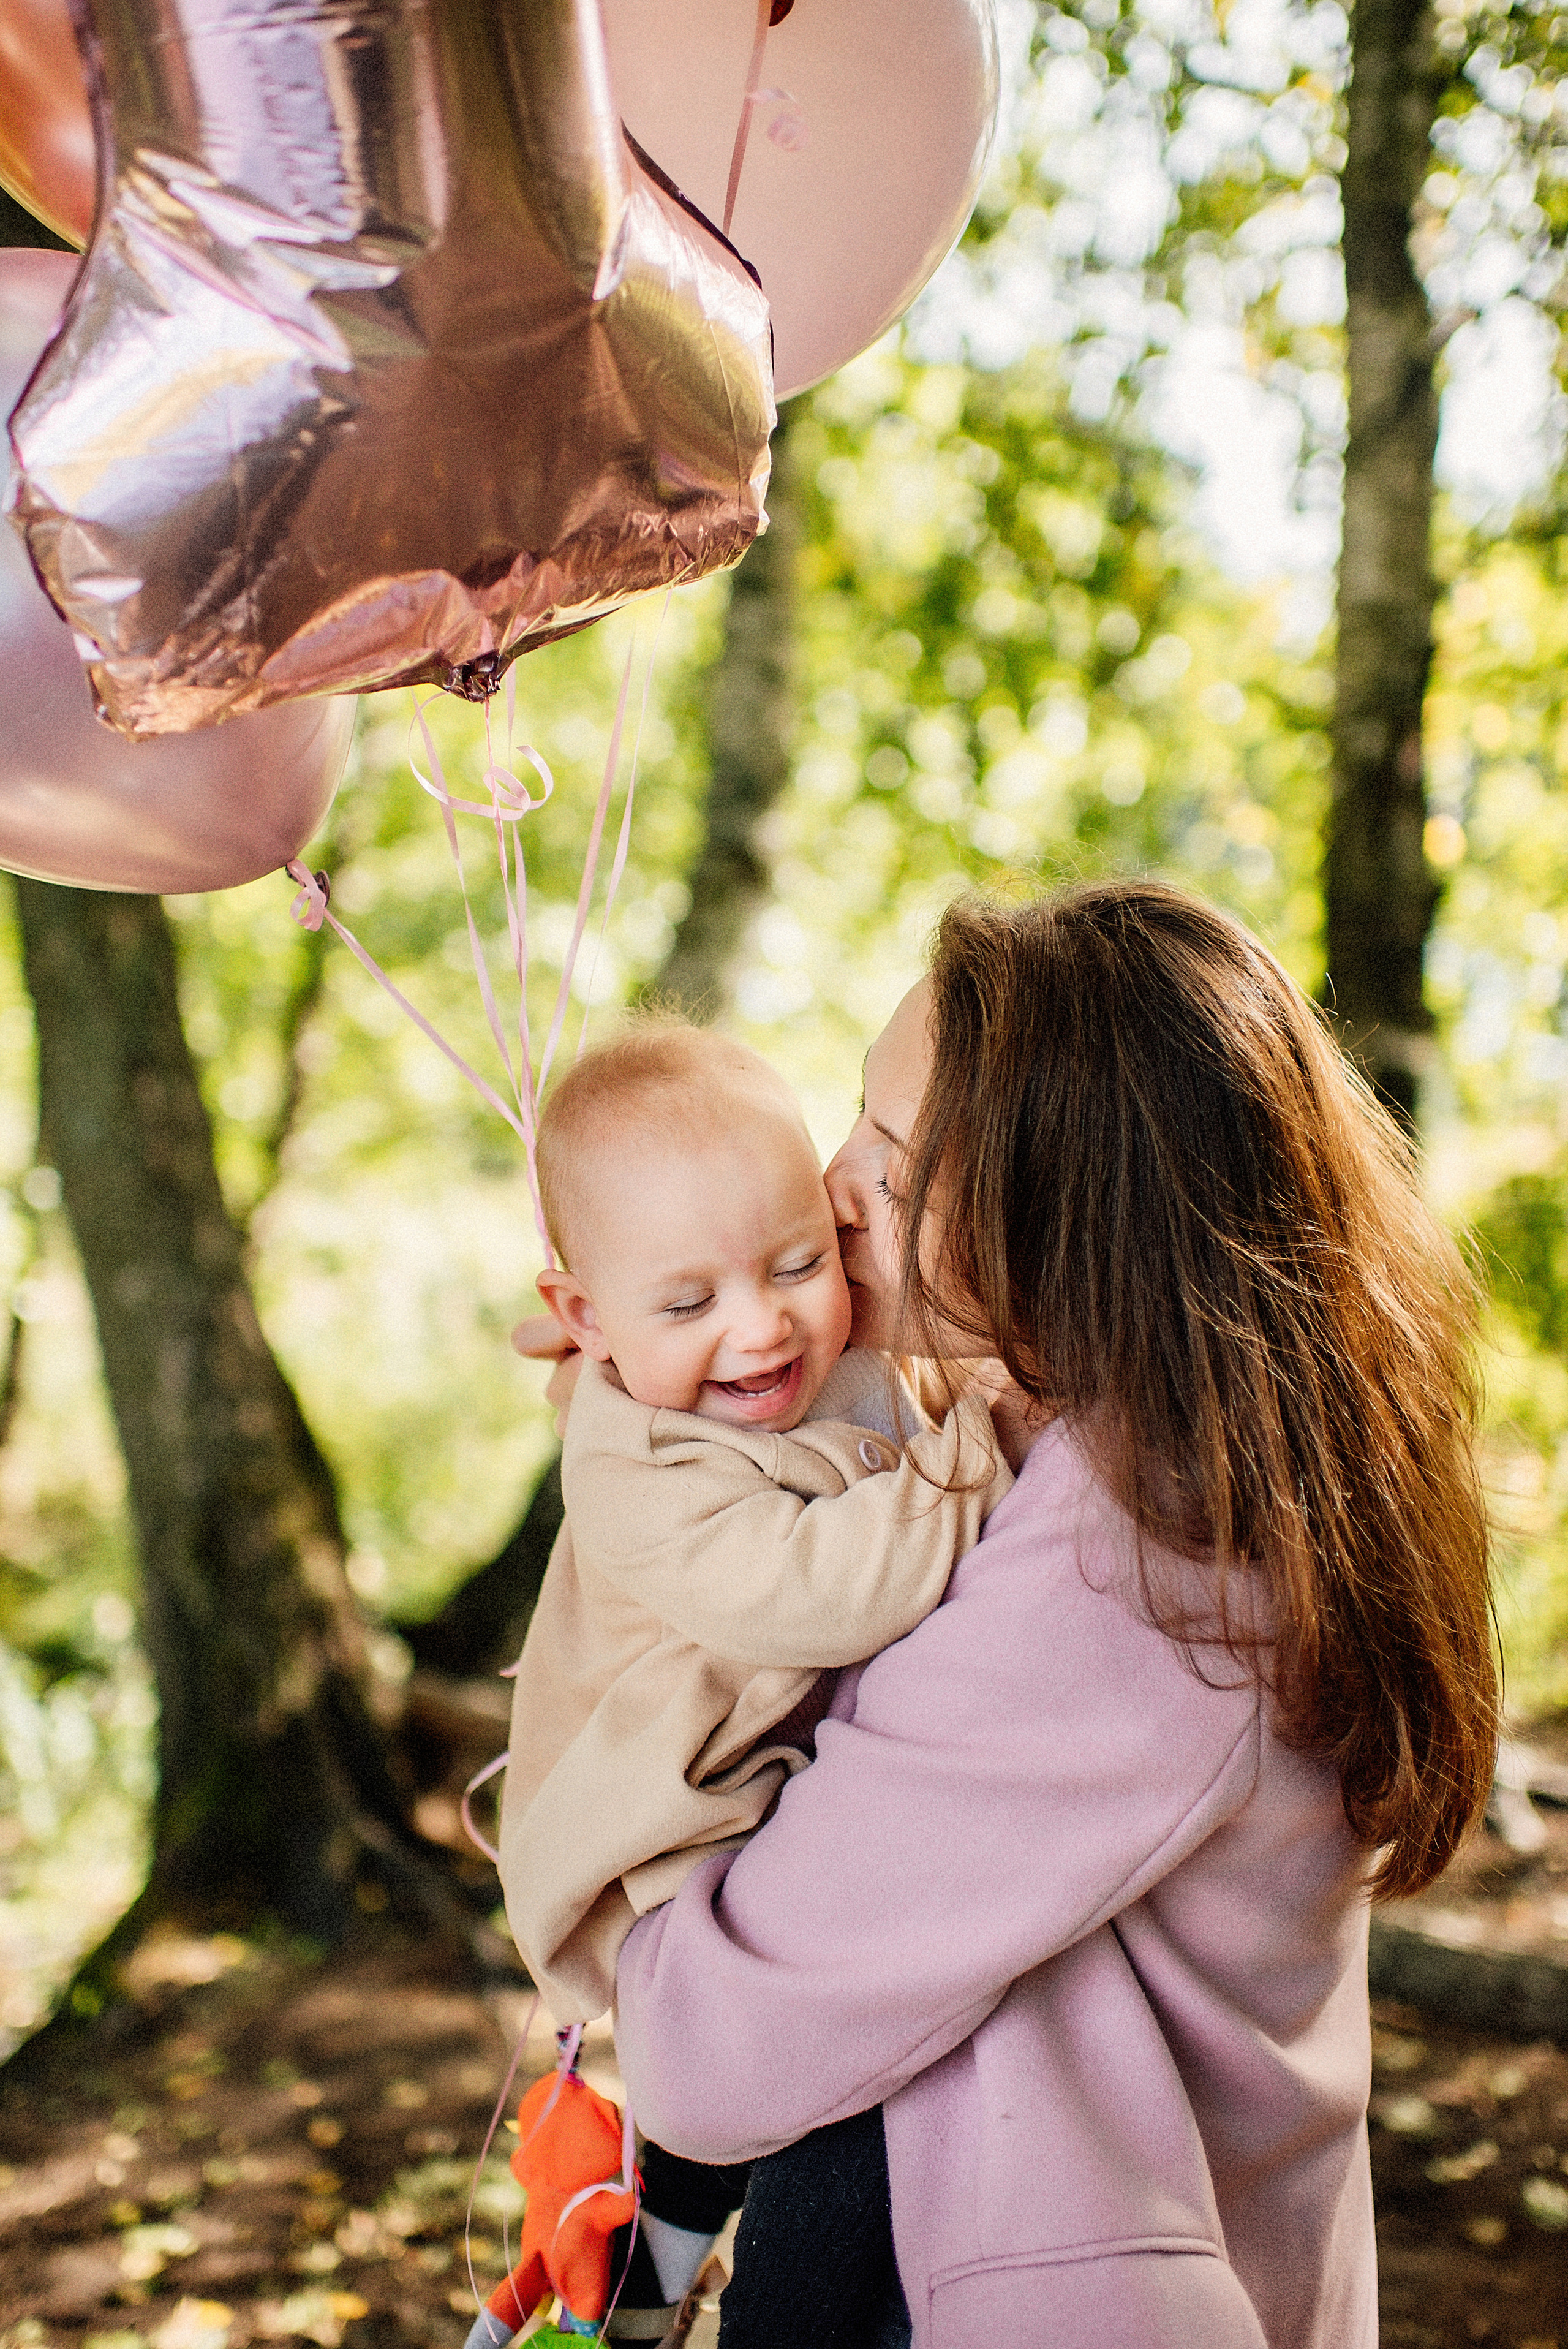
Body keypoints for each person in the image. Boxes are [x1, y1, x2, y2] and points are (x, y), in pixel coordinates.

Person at [601, 881, 1498, 2349]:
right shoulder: (1189, 1449)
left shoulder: (1133, 1558)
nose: (830, 1183)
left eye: (891, 1170)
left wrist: (618, 1904)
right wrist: (655, 1355)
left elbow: (711, 2052)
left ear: (1068, 1227)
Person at [493, 1019, 1007, 2345]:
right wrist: (976, 1463)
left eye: (796, 1263)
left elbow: (897, 1410)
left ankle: (638, 2295)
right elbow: (814, 1589)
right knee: (811, 2128)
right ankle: (710, 2308)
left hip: (760, 1821)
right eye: (685, 1304)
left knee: (734, 2133)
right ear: (583, 1321)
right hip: (667, 1838)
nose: (759, 1324)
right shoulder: (630, 1469)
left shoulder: (819, 1374)